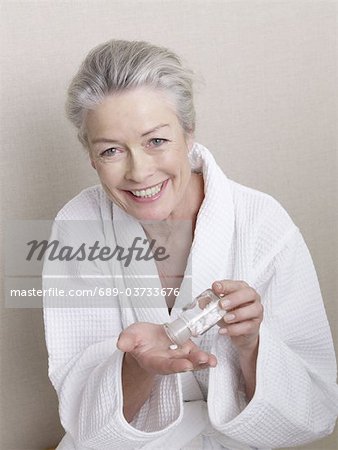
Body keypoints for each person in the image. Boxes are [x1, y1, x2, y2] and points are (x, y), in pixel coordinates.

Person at [43, 39, 338, 450]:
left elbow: (317, 409)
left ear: (189, 133)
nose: (139, 171)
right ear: (91, 158)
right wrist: (139, 366)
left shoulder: (262, 221)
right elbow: (85, 421)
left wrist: (252, 344)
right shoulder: (76, 226)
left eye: (157, 141)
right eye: (111, 150)